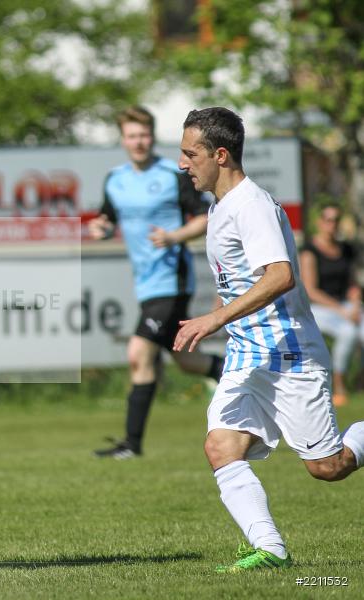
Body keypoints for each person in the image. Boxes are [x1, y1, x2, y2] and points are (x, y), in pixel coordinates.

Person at [174, 107, 364, 572]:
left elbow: (280, 276)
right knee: (221, 446)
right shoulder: (220, 204)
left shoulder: (250, 204)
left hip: (287, 355)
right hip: (248, 356)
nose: (183, 163)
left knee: (328, 467)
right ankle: (271, 550)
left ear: (220, 155)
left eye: (189, 153)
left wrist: (215, 317)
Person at [88, 106, 224, 460]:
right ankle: (241, 372)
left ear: (153, 136)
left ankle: (132, 445)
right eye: (132, 135)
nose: (139, 141)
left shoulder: (173, 174)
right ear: (123, 139)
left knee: (139, 353)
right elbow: (107, 219)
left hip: (172, 281)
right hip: (145, 284)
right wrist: (100, 229)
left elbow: (206, 217)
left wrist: (175, 236)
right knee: (186, 361)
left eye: (145, 135)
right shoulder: (115, 179)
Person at [300, 203, 361, 406]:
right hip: (320, 308)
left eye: (335, 220)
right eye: (327, 219)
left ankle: (360, 380)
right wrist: (341, 310)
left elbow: (352, 283)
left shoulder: (346, 250)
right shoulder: (309, 251)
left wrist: (354, 304)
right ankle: (339, 384)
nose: (331, 224)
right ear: (319, 222)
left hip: (345, 306)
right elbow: (311, 290)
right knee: (348, 333)